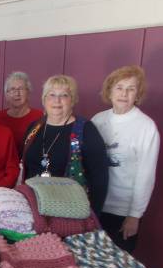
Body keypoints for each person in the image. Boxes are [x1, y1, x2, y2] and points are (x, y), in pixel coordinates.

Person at [92, 66, 159, 253]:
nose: (124, 93)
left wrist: (134, 216)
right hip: (94, 206)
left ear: (137, 94)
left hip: (122, 212)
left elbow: (146, 175)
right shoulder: (98, 120)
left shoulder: (146, 126)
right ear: (110, 91)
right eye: (119, 87)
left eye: (131, 89)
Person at [22, 75, 109, 215]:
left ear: (73, 100)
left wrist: (92, 215)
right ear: (44, 100)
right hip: (32, 206)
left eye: (64, 95)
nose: (57, 100)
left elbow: (100, 178)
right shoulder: (35, 127)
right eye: (52, 95)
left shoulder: (86, 130)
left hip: (69, 210)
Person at [0, 71, 43, 154]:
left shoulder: (41, 117)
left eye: (21, 89)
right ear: (6, 95)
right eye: (12, 89)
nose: (17, 93)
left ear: (28, 92)